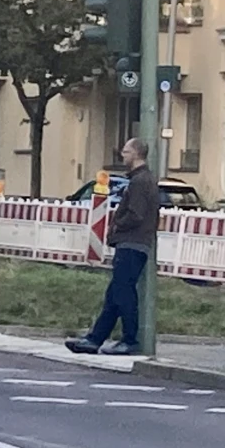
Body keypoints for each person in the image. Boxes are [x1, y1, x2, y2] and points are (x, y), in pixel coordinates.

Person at [66, 138, 160, 356]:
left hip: (132, 242)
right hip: (134, 242)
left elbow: (136, 214)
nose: (122, 155)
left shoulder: (139, 182)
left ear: (136, 154)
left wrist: (117, 224)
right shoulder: (144, 179)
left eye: (126, 151)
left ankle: (129, 339)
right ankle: (95, 339)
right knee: (115, 293)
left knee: (123, 292)